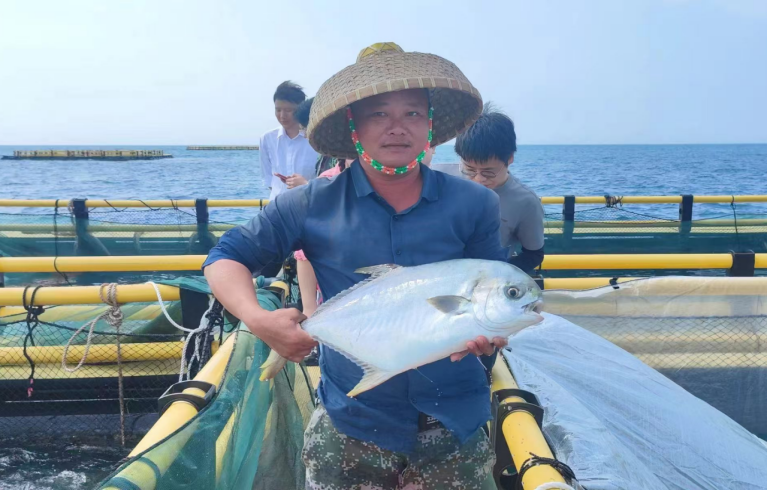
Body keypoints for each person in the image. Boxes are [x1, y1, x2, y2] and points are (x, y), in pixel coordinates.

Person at [203, 42, 507, 489]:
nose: (397, 127)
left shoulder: (476, 203)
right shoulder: (309, 203)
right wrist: (258, 319)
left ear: (430, 125)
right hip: (351, 422)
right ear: (354, 126)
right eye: (379, 114)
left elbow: (495, 288)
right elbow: (225, 257)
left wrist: (493, 331)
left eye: (412, 113)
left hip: (453, 424)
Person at [454, 104, 545, 274]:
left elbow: (534, 254)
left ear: (509, 158)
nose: (478, 179)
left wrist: (498, 275)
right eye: (469, 169)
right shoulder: (442, 180)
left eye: (488, 172)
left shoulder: (525, 202)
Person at [259, 81, 319, 201]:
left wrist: (306, 185)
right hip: (277, 206)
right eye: (278, 110)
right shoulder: (267, 139)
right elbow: (268, 179)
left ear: (300, 109)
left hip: (309, 205)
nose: (282, 115)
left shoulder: (316, 138)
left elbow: (327, 180)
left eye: (288, 110)